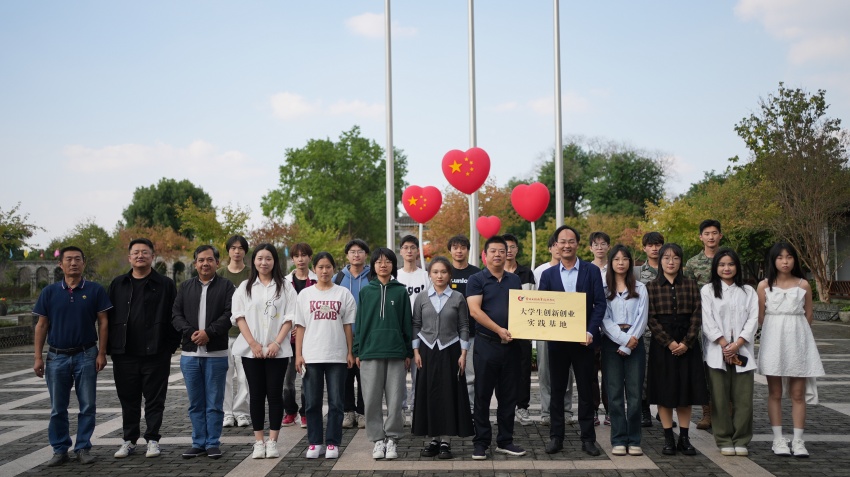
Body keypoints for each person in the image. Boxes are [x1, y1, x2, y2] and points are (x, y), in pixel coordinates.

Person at [33, 246, 111, 467]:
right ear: (61, 264)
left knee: (87, 405)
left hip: (86, 354)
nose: (73, 263)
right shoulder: (49, 292)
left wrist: (102, 352)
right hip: (56, 356)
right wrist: (38, 357)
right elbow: (41, 325)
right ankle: (60, 449)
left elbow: (103, 322)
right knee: (58, 407)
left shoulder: (95, 290)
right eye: (69, 259)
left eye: (78, 259)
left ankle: (83, 447)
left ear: (84, 263)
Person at [538, 226, 606, 457]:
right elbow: (542, 308)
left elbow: (600, 304)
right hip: (557, 343)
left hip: (584, 342)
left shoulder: (591, 271)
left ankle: (588, 439)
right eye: (562, 241)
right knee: (557, 391)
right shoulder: (548, 275)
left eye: (571, 241)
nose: (566, 245)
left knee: (586, 391)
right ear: (555, 245)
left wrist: (590, 331)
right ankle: (556, 437)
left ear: (577, 244)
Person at [108, 238, 179, 459]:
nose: (140, 256)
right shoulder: (118, 284)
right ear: (129, 257)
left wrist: (170, 346)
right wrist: (110, 347)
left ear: (152, 257)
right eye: (136, 252)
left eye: (145, 252)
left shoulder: (165, 284)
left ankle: (152, 440)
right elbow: (107, 318)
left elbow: (174, 316)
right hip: (125, 353)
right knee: (128, 399)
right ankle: (129, 440)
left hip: (156, 352)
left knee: (155, 399)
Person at [757, 243, 824, 458]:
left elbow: (809, 315)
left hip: (798, 340)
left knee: (797, 394)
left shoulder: (804, 285)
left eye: (789, 257)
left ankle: (798, 440)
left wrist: (798, 337)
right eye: (780, 257)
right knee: (774, 393)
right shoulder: (764, 286)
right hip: (773, 341)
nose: (785, 261)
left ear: (795, 260)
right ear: (773, 260)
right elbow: (760, 317)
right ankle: (778, 439)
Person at [231, 244, 297, 459]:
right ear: (254, 261)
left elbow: (290, 316)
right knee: (256, 395)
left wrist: (277, 343)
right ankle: (259, 441)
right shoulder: (245, 287)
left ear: (275, 261)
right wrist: (253, 344)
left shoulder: (285, 287)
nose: (264, 262)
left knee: (275, 395)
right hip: (252, 352)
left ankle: (273, 441)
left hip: (277, 351)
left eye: (268, 258)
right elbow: (238, 316)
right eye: (260, 258)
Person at [173, 245, 235, 459]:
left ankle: (212, 443)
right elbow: (176, 314)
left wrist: (209, 333)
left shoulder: (227, 287)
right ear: (195, 263)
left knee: (215, 403)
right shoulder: (185, 286)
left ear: (217, 262)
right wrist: (191, 333)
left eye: (209, 259)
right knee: (196, 403)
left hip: (216, 355)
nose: (205, 263)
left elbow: (230, 315)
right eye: (201, 260)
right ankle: (198, 442)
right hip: (190, 355)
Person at [467, 235, 526, 460]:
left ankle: (505, 440)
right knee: (482, 395)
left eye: (503, 250)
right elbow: (475, 311)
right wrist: (499, 329)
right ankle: (481, 442)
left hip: (511, 347)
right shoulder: (476, 279)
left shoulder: (514, 280)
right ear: (485, 254)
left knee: (509, 396)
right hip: (486, 345)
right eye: (493, 251)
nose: (499, 254)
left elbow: (523, 310)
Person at [647, 243, 708, 456]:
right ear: (660, 261)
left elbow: (697, 315)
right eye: (666, 258)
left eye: (675, 258)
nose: (671, 262)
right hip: (663, 346)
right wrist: (670, 342)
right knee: (665, 393)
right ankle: (667, 439)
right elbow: (650, 319)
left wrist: (686, 342)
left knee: (685, 393)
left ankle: (684, 437)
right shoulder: (651, 287)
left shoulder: (691, 285)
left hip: (688, 345)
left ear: (681, 261)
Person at [294, 252, 357, 459]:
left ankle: (332, 442)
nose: (324, 271)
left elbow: (348, 326)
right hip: (311, 356)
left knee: (336, 402)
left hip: (337, 355)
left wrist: (350, 351)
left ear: (333, 268)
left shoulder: (343, 293)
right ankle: (314, 442)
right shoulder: (305, 295)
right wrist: (299, 355)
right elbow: (300, 327)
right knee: (311, 402)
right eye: (320, 267)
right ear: (315, 268)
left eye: (328, 267)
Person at [353, 247, 413, 461]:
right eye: (378, 262)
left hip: (396, 353)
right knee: (371, 400)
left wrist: (408, 351)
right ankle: (378, 439)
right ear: (373, 266)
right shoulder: (366, 292)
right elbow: (360, 324)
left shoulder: (401, 291)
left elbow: (407, 323)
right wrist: (357, 350)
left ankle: (393, 439)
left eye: (387, 261)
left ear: (392, 265)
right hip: (370, 353)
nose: (383, 265)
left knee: (396, 400)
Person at [412, 256, 474, 459]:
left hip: (451, 350)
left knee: (448, 394)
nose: (439, 275)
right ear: (429, 274)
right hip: (427, 351)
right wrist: (416, 351)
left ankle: (446, 440)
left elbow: (464, 326)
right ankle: (434, 439)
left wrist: (464, 353)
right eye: (435, 272)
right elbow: (416, 325)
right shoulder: (421, 297)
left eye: (443, 272)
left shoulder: (457, 298)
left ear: (450, 275)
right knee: (430, 393)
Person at [701, 248, 758, 457]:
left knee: (744, 398)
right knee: (719, 398)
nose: (726, 268)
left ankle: (741, 439)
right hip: (717, 352)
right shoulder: (707, 290)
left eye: (731, 264)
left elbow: (753, 319)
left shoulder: (748, 291)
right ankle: (724, 438)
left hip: (742, 352)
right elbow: (707, 321)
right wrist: (725, 344)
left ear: (737, 267)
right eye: (722, 264)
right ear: (716, 267)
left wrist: (738, 343)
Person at [601, 244, 648, 457]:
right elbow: (604, 319)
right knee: (615, 393)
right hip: (611, 343)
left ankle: (634, 439)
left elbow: (642, 318)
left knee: (635, 394)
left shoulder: (640, 288)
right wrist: (622, 341)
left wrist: (630, 342)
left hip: (635, 343)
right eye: (617, 259)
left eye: (625, 259)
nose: (621, 262)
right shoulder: (604, 289)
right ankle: (619, 438)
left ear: (630, 262)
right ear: (611, 263)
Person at [685, 219, 723, 430]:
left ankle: (726, 410)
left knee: (726, 366)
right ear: (701, 237)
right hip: (702, 322)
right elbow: (690, 294)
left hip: (726, 321)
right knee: (704, 367)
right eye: (707, 233)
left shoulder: (728, 260)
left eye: (714, 233)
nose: (711, 237)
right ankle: (707, 412)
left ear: (720, 236)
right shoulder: (692, 263)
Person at [533, 235, 574, 426]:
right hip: (545, 329)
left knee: (568, 373)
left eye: (566, 243)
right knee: (545, 372)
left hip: (569, 328)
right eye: (557, 244)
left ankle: (566, 410)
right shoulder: (540, 271)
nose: (561, 248)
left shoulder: (577, 271)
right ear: (552, 247)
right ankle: (546, 411)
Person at [217, 235, 252, 428]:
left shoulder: (251, 273)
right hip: (224, 334)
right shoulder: (220, 273)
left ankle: (241, 411)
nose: (237, 251)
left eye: (240, 248)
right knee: (225, 376)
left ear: (245, 251)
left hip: (246, 335)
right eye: (233, 248)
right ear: (228, 250)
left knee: (245, 377)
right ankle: (227, 412)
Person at [502, 233, 536, 426]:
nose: (509, 250)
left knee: (523, 370)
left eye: (512, 247)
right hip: (499, 331)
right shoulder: (492, 272)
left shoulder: (526, 273)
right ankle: (505, 407)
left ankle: (522, 407)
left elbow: (531, 300)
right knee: (502, 370)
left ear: (517, 249)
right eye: (505, 247)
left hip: (522, 331)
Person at [282, 242, 317, 429]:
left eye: (304, 255)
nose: (300, 259)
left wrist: (303, 327)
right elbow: (281, 309)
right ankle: (290, 411)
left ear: (310, 257)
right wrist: (290, 327)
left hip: (309, 338)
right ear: (293, 258)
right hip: (287, 340)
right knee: (286, 381)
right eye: (297, 256)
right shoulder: (285, 282)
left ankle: (305, 413)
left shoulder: (317, 280)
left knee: (307, 380)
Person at [396, 235, 429, 424]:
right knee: (399, 374)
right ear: (401, 251)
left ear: (418, 251)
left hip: (422, 330)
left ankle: (418, 408)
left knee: (419, 371)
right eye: (406, 247)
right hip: (400, 331)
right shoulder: (396, 276)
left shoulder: (425, 276)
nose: (409, 251)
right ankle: (400, 408)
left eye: (413, 247)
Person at [338, 239, 371, 429]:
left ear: (365, 255)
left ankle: (362, 412)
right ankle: (348, 411)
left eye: (360, 251)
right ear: (347, 255)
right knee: (346, 376)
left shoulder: (372, 276)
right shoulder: (339, 278)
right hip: (343, 335)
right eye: (352, 251)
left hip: (366, 335)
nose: (356, 254)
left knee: (364, 375)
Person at [633, 231, 665, 427]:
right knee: (643, 373)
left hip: (665, 331)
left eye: (658, 244)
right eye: (650, 245)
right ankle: (644, 410)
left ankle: (664, 409)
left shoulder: (670, 269)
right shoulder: (636, 273)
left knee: (665, 372)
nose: (655, 249)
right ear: (644, 248)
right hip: (644, 331)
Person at [447, 234, 481, 410]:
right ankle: (452, 410)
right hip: (448, 334)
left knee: (470, 375)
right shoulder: (444, 272)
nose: (459, 251)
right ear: (450, 250)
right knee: (449, 374)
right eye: (455, 247)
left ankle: (471, 411)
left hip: (472, 333)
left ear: (468, 250)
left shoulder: (477, 273)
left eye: (462, 247)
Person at [589, 231, 611, 426]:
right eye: (596, 244)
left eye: (603, 244)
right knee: (591, 372)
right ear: (590, 248)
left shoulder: (615, 268)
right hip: (593, 327)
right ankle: (594, 409)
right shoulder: (586, 269)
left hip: (612, 327)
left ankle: (610, 410)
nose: (599, 247)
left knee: (610, 371)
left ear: (608, 247)